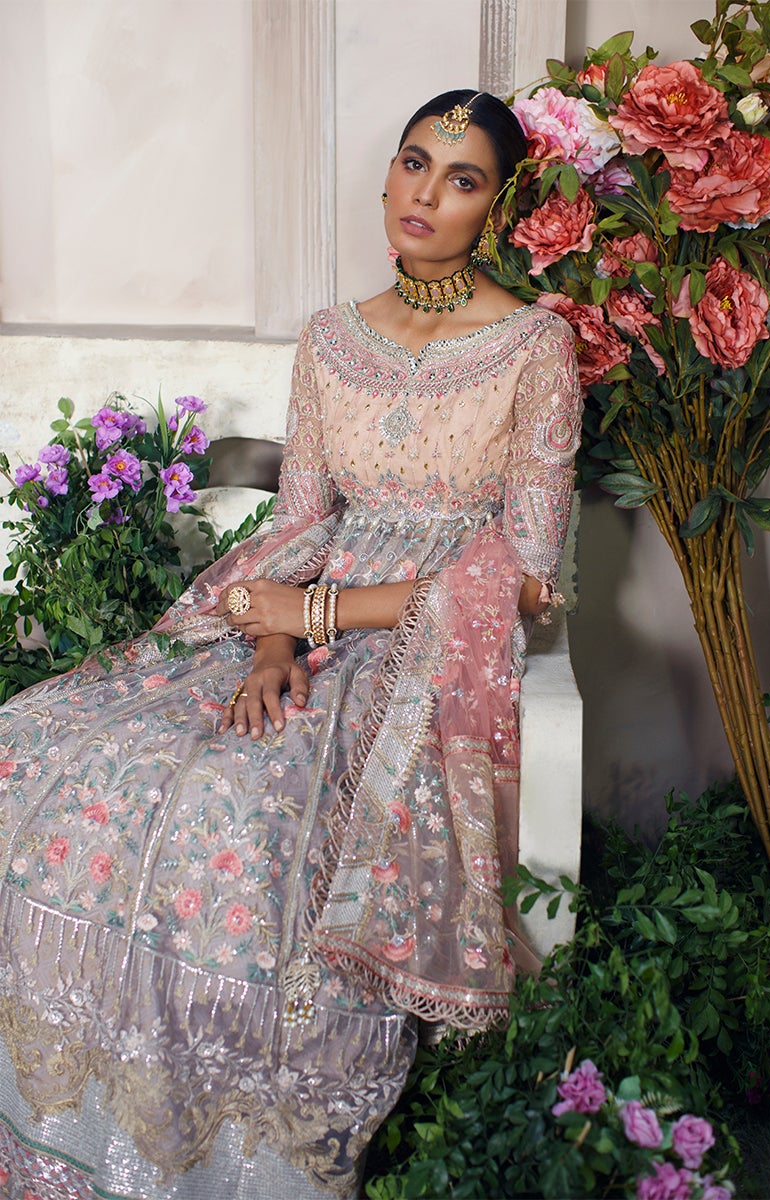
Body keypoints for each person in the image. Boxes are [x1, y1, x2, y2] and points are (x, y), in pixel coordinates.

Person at [0, 90, 581, 1199]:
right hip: (298, 611)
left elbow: (524, 572)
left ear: (497, 208)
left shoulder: (534, 347)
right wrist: (270, 643)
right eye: (413, 163)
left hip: (422, 644)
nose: (423, 193)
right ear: (387, 174)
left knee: (245, 806)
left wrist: (315, 623)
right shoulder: (329, 338)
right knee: (48, 747)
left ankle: (230, 1150)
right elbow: (301, 523)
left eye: (460, 179)